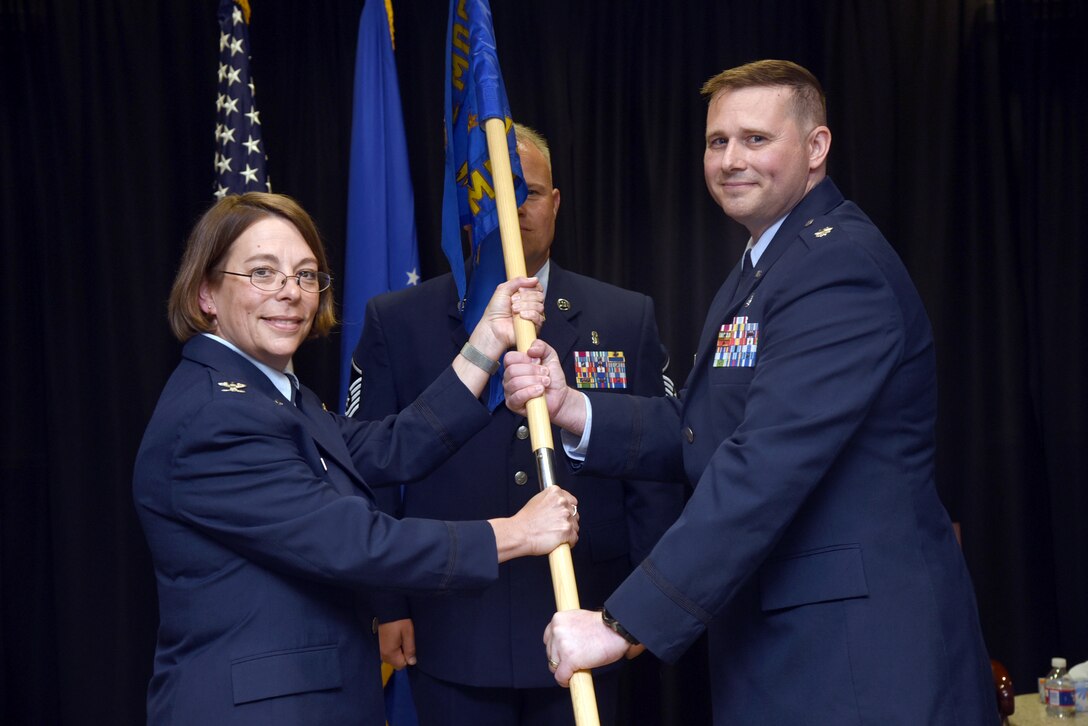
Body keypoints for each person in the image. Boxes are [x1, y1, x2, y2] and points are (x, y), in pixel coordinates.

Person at [503, 60, 997, 724]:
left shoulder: (836, 267)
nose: (732, 159)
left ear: (816, 149)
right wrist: (574, 409)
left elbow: (763, 465)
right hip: (789, 652)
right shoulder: (767, 264)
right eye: (717, 141)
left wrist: (622, 626)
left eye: (756, 139)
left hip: (857, 665)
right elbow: (707, 428)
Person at [132, 192, 581, 726]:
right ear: (206, 292)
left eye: (305, 275)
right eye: (262, 273)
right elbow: (356, 543)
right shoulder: (216, 416)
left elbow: (391, 445)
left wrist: (488, 338)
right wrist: (518, 534)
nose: (290, 294)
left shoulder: (274, 395)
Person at [349, 123, 685, 725]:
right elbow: (368, 469)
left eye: (527, 192)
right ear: (466, 207)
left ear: (555, 203)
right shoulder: (399, 321)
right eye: (492, 194)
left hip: (586, 618)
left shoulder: (625, 316)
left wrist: (644, 605)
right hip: (452, 624)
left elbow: (656, 471)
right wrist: (387, 602)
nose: (513, 209)